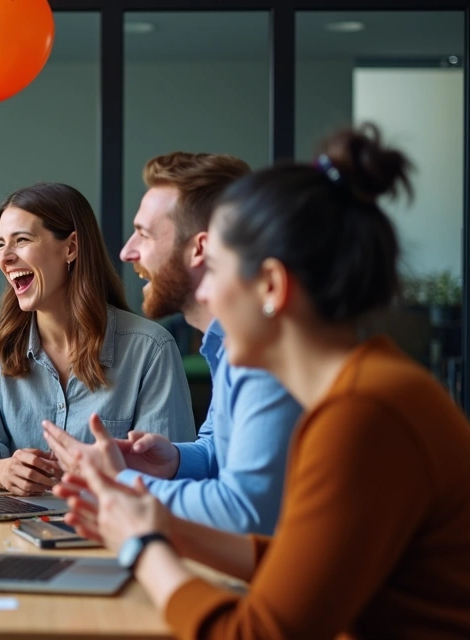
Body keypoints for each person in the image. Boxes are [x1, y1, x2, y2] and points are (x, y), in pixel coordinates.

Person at [56, 125, 470, 638]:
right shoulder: (365, 389)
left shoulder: (364, 412)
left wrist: (143, 546)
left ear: (272, 286)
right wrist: (150, 521)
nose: (206, 292)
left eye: (217, 271)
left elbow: (255, 632)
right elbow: (294, 561)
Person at [41, 153, 301, 534]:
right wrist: (174, 462)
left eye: (144, 234)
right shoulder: (225, 346)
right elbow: (221, 449)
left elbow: (247, 512)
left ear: (200, 249)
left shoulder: (264, 354)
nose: (127, 252)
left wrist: (117, 482)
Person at [0, 183, 194, 497]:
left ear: (71, 247)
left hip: (111, 531)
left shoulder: (151, 349)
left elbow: (167, 478)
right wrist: (2, 470)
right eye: (2, 244)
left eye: (22, 240)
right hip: (14, 529)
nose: (5, 257)